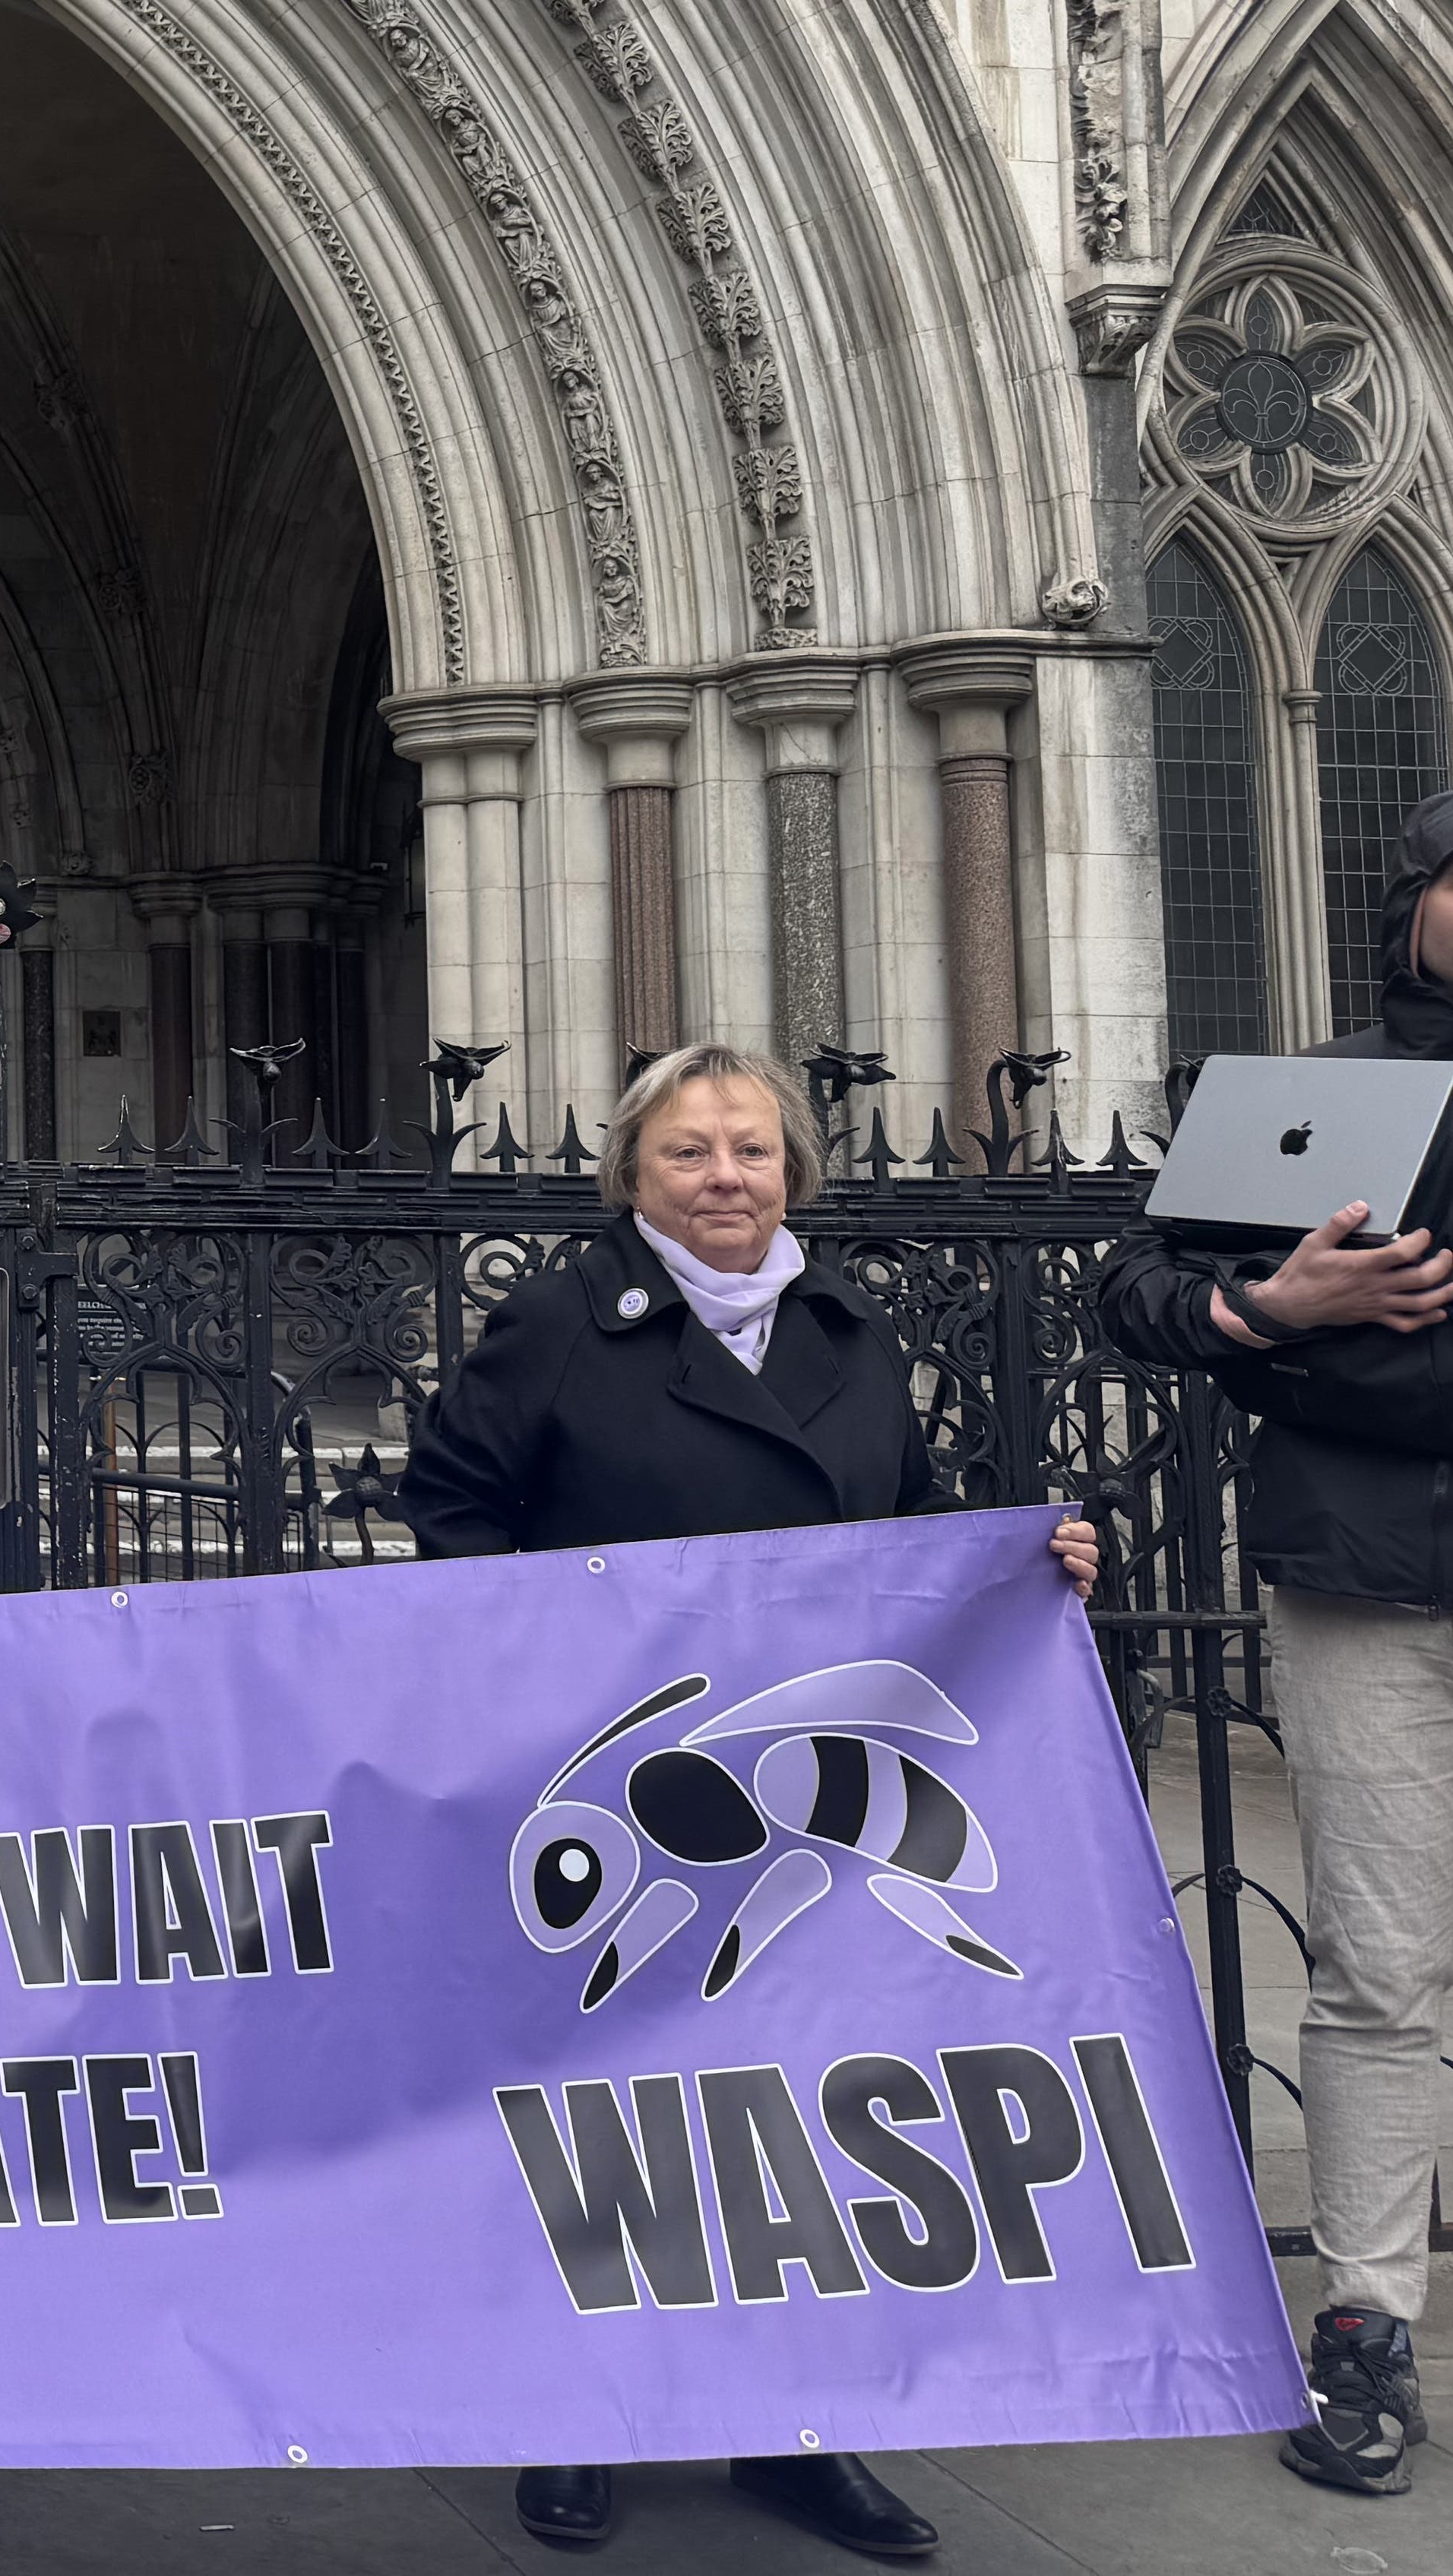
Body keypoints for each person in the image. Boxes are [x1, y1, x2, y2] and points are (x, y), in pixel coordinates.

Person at [399, 1041, 1099, 2560]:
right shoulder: (555, 1325)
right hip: (625, 1789)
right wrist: (556, 1663)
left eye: (751, 1152)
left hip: (802, 1799)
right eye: (688, 1154)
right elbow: (448, 1512)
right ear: (627, 1179)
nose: (725, 1179)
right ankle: (574, 2407)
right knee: (609, 2107)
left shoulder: (846, 1329)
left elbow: (912, 1524)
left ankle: (801, 2426)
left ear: (794, 1171)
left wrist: (1022, 1565)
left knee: (797, 2105)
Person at [1097, 786, 1453, 2499]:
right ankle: (1367, 2322)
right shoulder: (1325, 1089)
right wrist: (1270, 1309)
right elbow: (1133, 1294)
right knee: (1382, 1969)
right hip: (1366, 1582)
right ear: (1412, 902)